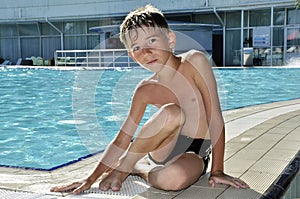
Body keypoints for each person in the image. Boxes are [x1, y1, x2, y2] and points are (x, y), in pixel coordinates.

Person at [51, 4, 249, 194]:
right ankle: (127, 164)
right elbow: (123, 138)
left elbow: (215, 117)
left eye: (152, 41)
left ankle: (137, 167)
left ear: (170, 40)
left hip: (196, 151)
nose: (145, 52)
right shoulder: (145, 89)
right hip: (163, 147)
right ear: (131, 55)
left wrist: (217, 170)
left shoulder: (194, 62)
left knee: (173, 180)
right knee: (172, 113)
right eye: (136, 48)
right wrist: (90, 178)